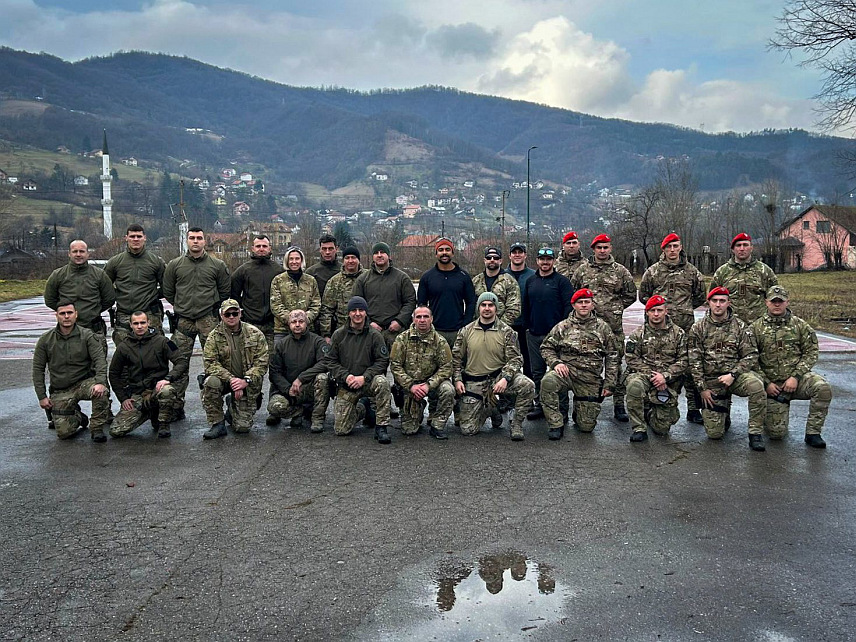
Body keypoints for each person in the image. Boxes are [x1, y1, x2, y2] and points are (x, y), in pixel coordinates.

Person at [162, 227, 231, 419]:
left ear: (204, 241)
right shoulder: (175, 265)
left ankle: (217, 407)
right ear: (186, 240)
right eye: (192, 238)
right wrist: (180, 305)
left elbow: (225, 291)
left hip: (208, 319)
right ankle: (176, 406)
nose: (195, 241)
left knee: (215, 364)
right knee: (179, 363)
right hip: (183, 321)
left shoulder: (217, 265)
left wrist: (212, 307)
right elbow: (168, 290)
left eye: (199, 238)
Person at [687, 287, 767, 451]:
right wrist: (702, 389)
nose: (718, 305)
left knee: (756, 386)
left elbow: (751, 355)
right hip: (712, 382)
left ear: (728, 303)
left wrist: (734, 374)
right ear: (708, 303)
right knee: (714, 434)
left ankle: (755, 433)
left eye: (722, 301)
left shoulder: (740, 326)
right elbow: (694, 361)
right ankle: (724, 411)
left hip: (735, 378)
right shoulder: (698, 328)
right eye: (714, 301)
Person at [751, 285, 831, 448]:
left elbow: (811, 352)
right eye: (774, 301)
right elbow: (751, 359)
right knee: (776, 434)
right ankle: (772, 412)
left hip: (797, 381)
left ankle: (813, 433)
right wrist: (766, 383)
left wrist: (796, 376)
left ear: (787, 302)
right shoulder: (756, 328)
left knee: (822, 388)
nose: (777, 304)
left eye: (780, 301)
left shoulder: (800, 326)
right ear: (766, 302)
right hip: (773, 386)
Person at [638, 233, 707, 423]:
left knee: (690, 367)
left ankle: (693, 409)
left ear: (680, 247)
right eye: (668, 247)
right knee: (654, 363)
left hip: (685, 326)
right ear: (664, 250)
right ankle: (650, 405)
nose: (672, 250)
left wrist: (682, 309)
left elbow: (701, 296)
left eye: (675, 246)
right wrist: (658, 311)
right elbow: (644, 296)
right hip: (657, 328)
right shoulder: (653, 272)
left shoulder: (692, 272)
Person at [570, 233, 637, 422]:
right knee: (585, 366)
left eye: (605, 247)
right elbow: (573, 293)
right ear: (593, 250)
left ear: (610, 248)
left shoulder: (621, 271)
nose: (602, 251)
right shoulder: (582, 271)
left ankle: (618, 404)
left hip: (613, 327)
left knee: (615, 365)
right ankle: (583, 403)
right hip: (587, 328)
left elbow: (631, 294)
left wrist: (615, 308)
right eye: (599, 247)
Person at [452, 292, 535, 440]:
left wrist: (505, 378)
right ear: (478, 308)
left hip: (498, 377)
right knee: (468, 430)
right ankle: (491, 408)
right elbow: (456, 358)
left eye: (491, 305)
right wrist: (458, 379)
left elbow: (516, 359)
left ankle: (516, 424)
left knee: (527, 385)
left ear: (496, 309)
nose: (487, 308)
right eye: (483, 305)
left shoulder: (507, 331)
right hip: (475, 380)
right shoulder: (466, 331)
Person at [539, 288, 619, 440]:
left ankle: (579, 408)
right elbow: (546, 347)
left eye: (587, 302)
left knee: (586, 427)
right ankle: (556, 424)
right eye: (580, 302)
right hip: (566, 373)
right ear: (573, 305)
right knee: (548, 382)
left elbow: (612, 356)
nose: (583, 305)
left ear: (592, 305)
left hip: (590, 378)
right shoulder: (563, 327)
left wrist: (609, 383)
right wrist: (556, 363)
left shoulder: (603, 328)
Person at [32, 302, 110, 442]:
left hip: (84, 383)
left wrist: (100, 382)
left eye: (70, 313)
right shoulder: (45, 340)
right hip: (61, 389)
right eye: (62, 313)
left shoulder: (87, 336)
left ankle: (97, 428)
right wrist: (42, 396)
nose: (66, 316)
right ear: (56, 316)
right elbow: (38, 369)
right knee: (64, 433)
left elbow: (100, 361)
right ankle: (78, 417)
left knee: (101, 392)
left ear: (76, 315)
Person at [108, 311, 187, 439]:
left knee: (167, 391)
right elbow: (113, 373)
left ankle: (163, 424)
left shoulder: (164, 341)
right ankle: (149, 412)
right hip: (138, 393)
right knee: (116, 431)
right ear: (131, 325)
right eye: (136, 323)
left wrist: (168, 378)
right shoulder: (123, 347)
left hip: (158, 388)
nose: (140, 326)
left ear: (148, 323)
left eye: (143, 323)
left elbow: (181, 361)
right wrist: (123, 398)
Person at [325, 296, 393, 443]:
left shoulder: (375, 335)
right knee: (341, 430)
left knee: (382, 382)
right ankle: (363, 408)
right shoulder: (338, 335)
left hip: (368, 382)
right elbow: (330, 361)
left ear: (366, 313)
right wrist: (346, 376)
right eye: (354, 310)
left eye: (361, 310)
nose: (357, 313)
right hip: (347, 384)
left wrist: (365, 377)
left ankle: (381, 427)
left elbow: (382, 361)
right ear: (348, 313)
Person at [200, 300, 270, 439]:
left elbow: (262, 363)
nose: (231, 317)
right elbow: (210, 363)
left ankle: (232, 410)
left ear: (240, 313)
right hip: (225, 381)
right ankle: (217, 424)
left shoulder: (255, 333)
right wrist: (232, 380)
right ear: (221, 315)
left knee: (242, 428)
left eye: (234, 313)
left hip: (247, 383)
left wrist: (246, 380)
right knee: (210, 383)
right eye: (227, 314)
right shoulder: (213, 336)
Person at [624, 295, 688, 442]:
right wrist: (654, 376)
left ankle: (650, 409)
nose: (656, 314)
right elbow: (631, 358)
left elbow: (684, 360)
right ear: (647, 312)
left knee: (662, 429)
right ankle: (639, 428)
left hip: (669, 380)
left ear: (666, 311)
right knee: (634, 385)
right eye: (652, 310)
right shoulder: (637, 334)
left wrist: (665, 376)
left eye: (659, 310)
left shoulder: (679, 334)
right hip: (644, 376)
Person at [521, 246, 572, 420]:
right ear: (537, 261)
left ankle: (562, 409)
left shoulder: (562, 282)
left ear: (553, 261)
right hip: (534, 334)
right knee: (537, 372)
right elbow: (525, 306)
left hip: (556, 337)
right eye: (542, 259)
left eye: (548, 259)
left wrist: (564, 331)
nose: (545, 262)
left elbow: (568, 307)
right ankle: (540, 405)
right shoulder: (530, 281)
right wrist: (528, 326)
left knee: (559, 373)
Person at [390, 305, 455, 438]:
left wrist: (428, 385)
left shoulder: (440, 341)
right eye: (418, 317)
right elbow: (395, 366)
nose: (422, 320)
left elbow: (447, 367)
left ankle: (437, 424)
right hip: (410, 386)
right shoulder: (402, 339)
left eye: (426, 316)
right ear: (413, 319)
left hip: (431, 385)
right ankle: (417, 408)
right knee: (409, 430)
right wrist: (411, 385)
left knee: (448, 390)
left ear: (431, 319)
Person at [45, 239, 115, 358]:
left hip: (94, 330)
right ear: (69, 254)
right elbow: (50, 300)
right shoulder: (58, 275)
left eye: (82, 251)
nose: (78, 254)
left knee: (98, 368)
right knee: (68, 368)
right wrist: (66, 313)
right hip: (67, 331)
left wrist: (93, 310)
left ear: (88, 254)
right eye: (75, 251)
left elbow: (109, 298)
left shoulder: (99, 275)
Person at [266, 309, 330, 432]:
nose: (297, 324)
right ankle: (298, 412)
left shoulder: (317, 341)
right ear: (289, 324)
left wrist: (301, 378)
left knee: (323, 378)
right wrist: (287, 388)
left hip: (309, 387)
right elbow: (274, 372)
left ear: (307, 323)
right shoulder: (281, 344)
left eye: (301, 321)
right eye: (293, 322)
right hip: (289, 390)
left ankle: (317, 418)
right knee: (274, 407)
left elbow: (325, 363)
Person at [104, 224, 166, 345]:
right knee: (124, 351)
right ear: (126, 238)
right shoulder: (115, 262)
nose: (136, 239)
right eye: (132, 236)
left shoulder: (156, 262)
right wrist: (118, 295)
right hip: (124, 315)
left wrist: (153, 295)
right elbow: (104, 286)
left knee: (158, 348)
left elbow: (167, 287)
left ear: (145, 238)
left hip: (150, 315)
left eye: (139, 236)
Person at [352, 242, 417, 350]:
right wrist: (368, 323)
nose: (379, 255)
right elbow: (355, 304)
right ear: (372, 257)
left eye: (382, 252)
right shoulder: (363, 280)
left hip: (396, 333)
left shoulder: (401, 278)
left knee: (397, 365)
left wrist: (399, 321)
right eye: (376, 253)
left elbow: (410, 302)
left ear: (389, 256)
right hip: (370, 333)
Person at [417, 238, 476, 348]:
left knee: (458, 364)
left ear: (453, 253)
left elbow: (471, 302)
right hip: (434, 331)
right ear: (436, 254)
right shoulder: (427, 277)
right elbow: (421, 304)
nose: (444, 252)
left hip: (458, 331)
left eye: (448, 249)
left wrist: (465, 325)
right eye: (441, 250)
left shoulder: (463, 276)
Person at [230, 234, 284, 352]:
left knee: (274, 361)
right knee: (250, 360)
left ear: (270, 248)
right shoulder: (243, 270)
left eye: (264, 246)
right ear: (253, 248)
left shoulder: (278, 270)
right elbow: (234, 294)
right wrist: (242, 314)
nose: (261, 249)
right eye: (258, 246)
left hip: (272, 324)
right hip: (250, 323)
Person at [709, 232, 778, 324]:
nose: (742, 249)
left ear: (751, 248)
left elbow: (775, 298)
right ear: (733, 249)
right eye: (738, 245)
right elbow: (712, 299)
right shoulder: (722, 272)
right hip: (730, 327)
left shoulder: (764, 271)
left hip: (758, 325)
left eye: (745, 245)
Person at [270, 246, 321, 343]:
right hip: (283, 330)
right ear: (287, 261)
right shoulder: (278, 280)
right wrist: (291, 320)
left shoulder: (311, 280)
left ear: (301, 260)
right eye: (291, 259)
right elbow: (275, 305)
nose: (294, 262)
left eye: (297, 259)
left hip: (307, 330)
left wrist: (304, 319)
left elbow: (316, 304)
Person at [319, 245, 364, 341]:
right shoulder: (334, 281)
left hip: (366, 331)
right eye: (347, 258)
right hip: (342, 332)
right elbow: (326, 310)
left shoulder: (367, 278)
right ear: (343, 261)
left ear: (358, 260)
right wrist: (326, 334)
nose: (350, 261)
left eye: (353, 258)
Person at [505, 241, 536, 378]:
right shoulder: (502, 276)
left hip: (527, 326)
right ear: (509, 255)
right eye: (514, 252)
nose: (517, 255)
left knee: (529, 362)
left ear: (525, 255)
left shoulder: (534, 276)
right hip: (507, 326)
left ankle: (531, 393)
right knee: (508, 361)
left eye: (520, 252)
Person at [471, 246, 521, 326]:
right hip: (478, 329)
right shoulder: (476, 281)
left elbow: (514, 308)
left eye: (496, 258)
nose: (492, 260)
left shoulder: (509, 281)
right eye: (489, 257)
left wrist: (498, 326)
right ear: (484, 260)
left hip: (501, 330)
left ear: (500, 261)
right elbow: (470, 305)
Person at [304, 233, 341, 297]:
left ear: (336, 249)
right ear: (320, 250)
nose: (327, 252)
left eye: (330, 249)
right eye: (324, 249)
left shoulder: (344, 270)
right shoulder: (311, 272)